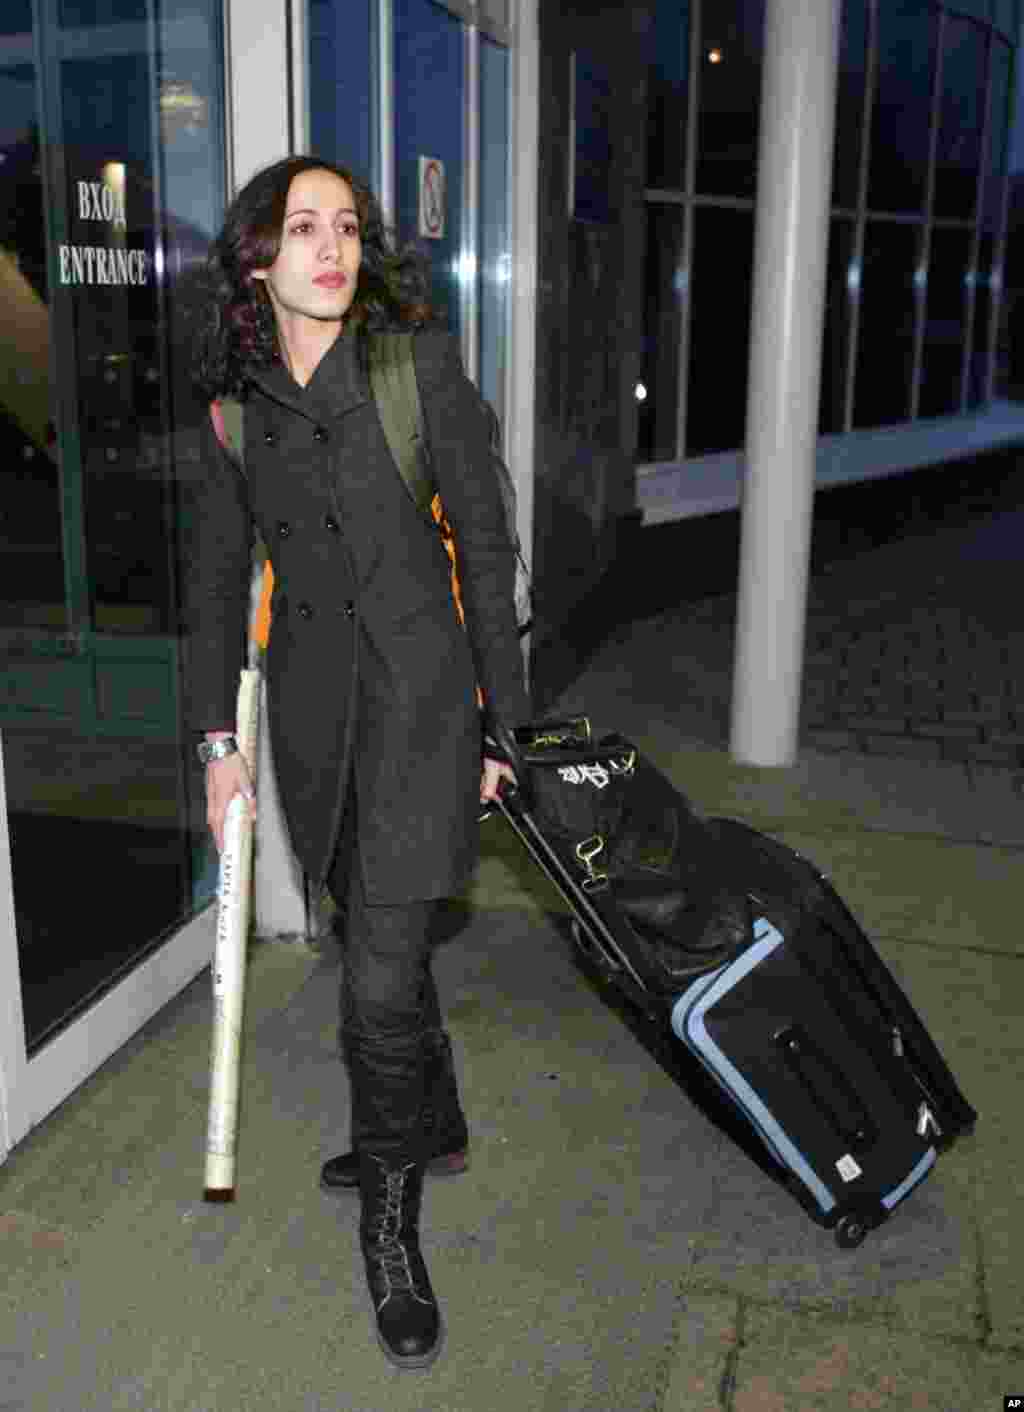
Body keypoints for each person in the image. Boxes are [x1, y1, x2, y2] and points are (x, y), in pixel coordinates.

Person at [188, 155, 529, 1370]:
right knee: (372, 933)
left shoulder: (413, 368)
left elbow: (486, 559)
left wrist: (505, 728)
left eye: (347, 227)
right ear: (259, 260)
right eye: (302, 228)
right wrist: (218, 746)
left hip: (429, 712)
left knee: (376, 974)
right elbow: (218, 584)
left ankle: (392, 1227)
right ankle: (425, 1121)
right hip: (317, 726)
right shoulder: (234, 407)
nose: (331, 247)